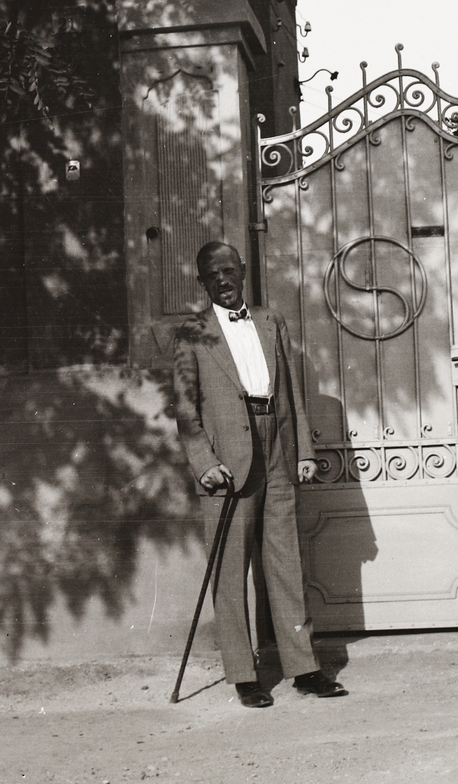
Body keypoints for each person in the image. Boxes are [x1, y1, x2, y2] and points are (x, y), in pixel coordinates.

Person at [168, 240, 347, 708]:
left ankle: (304, 668)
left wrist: (304, 449)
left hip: (278, 450)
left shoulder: (270, 322)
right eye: (213, 275)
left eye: (229, 270)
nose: (223, 280)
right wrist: (205, 462)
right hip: (228, 458)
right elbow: (186, 408)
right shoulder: (192, 333)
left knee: (286, 562)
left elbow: (290, 391)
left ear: (243, 271)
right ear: (202, 282)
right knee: (230, 570)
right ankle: (243, 674)